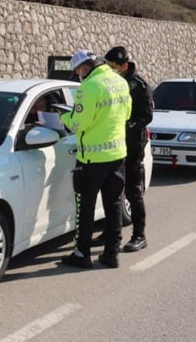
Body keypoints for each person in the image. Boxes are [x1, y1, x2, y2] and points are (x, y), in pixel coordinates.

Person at [58, 49, 132, 269]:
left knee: (86, 207)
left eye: (78, 72)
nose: (79, 75)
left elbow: (79, 123)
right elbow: (126, 114)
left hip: (91, 158)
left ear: (83, 69)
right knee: (114, 205)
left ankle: (82, 254)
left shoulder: (88, 87)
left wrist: (63, 117)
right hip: (117, 155)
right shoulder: (119, 81)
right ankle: (112, 254)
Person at [102, 46, 153, 252]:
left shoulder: (139, 86)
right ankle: (110, 231)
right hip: (113, 146)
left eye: (113, 67)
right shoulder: (109, 83)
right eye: (108, 66)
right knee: (112, 191)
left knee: (133, 192)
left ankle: (139, 235)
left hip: (132, 146)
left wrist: (127, 125)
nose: (110, 70)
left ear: (124, 66)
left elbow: (147, 116)